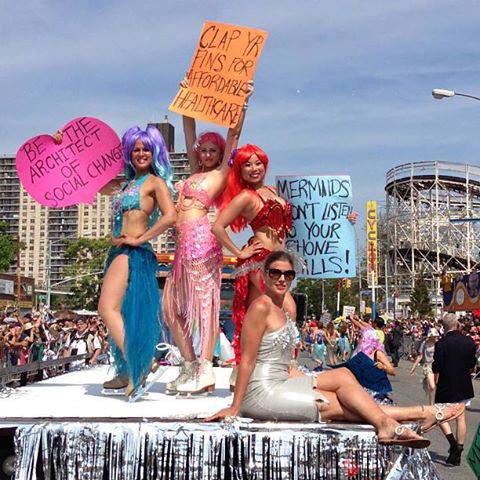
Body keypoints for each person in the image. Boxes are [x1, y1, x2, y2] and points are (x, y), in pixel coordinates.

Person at [206, 251, 463, 448]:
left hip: (283, 379)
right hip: (261, 392)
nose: (282, 279)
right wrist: (234, 406)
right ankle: (415, 415)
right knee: (336, 402)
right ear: (264, 275)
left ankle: (414, 416)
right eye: (275, 273)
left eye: (288, 274)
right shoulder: (260, 306)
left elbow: (283, 360)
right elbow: (248, 361)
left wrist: (307, 378)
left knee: (343, 376)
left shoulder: (283, 308)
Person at [163, 83, 253, 396]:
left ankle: (205, 369)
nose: (207, 153)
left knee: (204, 308)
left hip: (201, 241)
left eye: (213, 150)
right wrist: (187, 97)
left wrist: (242, 102)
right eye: (204, 149)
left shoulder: (220, 176)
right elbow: (189, 128)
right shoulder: (193, 172)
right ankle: (189, 365)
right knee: (171, 308)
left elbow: (233, 137)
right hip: (181, 244)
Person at [94, 125, 177, 399]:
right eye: (136, 149)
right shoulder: (124, 184)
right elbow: (89, 180)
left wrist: (140, 239)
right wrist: (65, 144)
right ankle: (128, 371)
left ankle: (139, 364)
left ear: (155, 153)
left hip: (132, 253)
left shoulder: (155, 182)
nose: (141, 153)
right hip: (118, 252)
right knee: (125, 313)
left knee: (107, 308)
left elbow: (170, 216)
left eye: (146, 149)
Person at [433, 313, 477, 466]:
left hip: (447, 384)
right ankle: (459, 447)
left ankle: (453, 445)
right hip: (464, 383)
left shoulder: (441, 344)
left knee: (439, 415)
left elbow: (436, 366)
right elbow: (472, 363)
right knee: (460, 417)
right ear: (457, 325)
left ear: (444, 327)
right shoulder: (469, 341)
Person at [410, 328, 440, 405]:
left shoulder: (439, 343)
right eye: (432, 336)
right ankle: (431, 403)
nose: (434, 337)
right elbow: (420, 356)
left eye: (435, 336)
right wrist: (413, 368)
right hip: (428, 365)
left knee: (438, 386)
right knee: (432, 386)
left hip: (438, 365)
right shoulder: (425, 343)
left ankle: (434, 403)